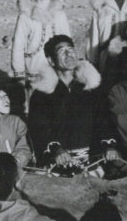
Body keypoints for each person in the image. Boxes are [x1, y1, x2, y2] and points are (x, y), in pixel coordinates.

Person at [27, 35, 103, 168]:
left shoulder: (91, 88)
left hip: (93, 160)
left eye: (71, 49)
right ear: (51, 61)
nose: (69, 54)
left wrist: (107, 146)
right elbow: (39, 128)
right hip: (57, 161)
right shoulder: (42, 94)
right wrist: (56, 149)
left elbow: (104, 121)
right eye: (61, 51)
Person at [10, 0, 70, 99]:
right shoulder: (25, 15)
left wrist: (68, 67)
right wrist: (19, 73)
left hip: (55, 69)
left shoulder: (60, 15)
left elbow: (67, 43)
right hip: (33, 70)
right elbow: (18, 44)